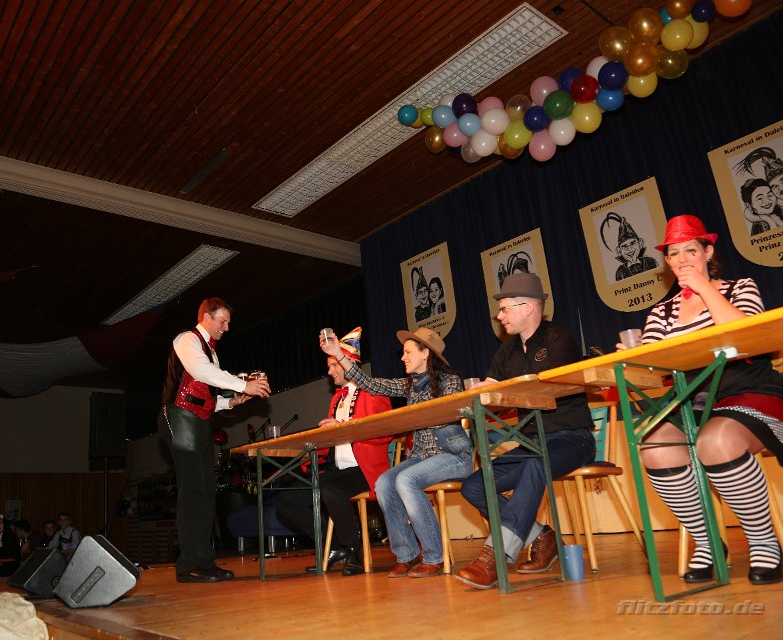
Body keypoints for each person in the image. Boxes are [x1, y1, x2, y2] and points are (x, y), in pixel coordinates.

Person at [620, 214, 783, 585]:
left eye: (690, 251)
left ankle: (763, 542)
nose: (682, 260)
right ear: (667, 261)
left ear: (708, 252)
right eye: (674, 254)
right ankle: (708, 542)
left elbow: (745, 336)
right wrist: (632, 360)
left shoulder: (740, 287)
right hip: (693, 400)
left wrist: (704, 289)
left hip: (750, 389)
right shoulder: (661, 312)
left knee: (716, 440)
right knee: (654, 445)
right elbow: (655, 368)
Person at [455, 273, 595, 589]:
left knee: (536, 462)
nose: (500, 316)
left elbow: (550, 386)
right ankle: (543, 538)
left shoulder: (559, 339)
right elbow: (491, 388)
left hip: (573, 438)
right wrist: (481, 391)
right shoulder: (506, 351)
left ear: (528, 307)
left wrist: (499, 388)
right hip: (531, 443)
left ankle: (497, 554)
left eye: (505, 309)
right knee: (475, 486)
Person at [321, 326, 473, 578]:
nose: (402, 358)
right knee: (383, 483)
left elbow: (443, 416)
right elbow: (370, 383)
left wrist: (408, 418)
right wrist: (338, 353)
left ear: (426, 353)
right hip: (422, 457)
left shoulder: (451, 381)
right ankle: (407, 554)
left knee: (405, 480)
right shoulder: (410, 385)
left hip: (453, 456)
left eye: (408, 352)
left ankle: (434, 556)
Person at [159, 297, 271, 583]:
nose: (227, 327)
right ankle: (189, 565)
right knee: (193, 491)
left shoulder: (211, 353)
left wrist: (232, 401)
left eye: (228, 322)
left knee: (206, 492)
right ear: (206, 317)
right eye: (223, 321)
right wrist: (243, 384)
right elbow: (201, 372)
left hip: (198, 421)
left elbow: (206, 398)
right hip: (179, 417)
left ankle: (203, 562)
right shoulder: (187, 339)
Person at [275, 327, 392, 576]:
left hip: (365, 470)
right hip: (339, 469)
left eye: (333, 365)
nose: (329, 372)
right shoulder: (336, 399)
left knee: (332, 492)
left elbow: (384, 432)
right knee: (287, 500)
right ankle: (335, 548)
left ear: (348, 362)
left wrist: (342, 426)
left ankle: (354, 552)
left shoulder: (374, 392)